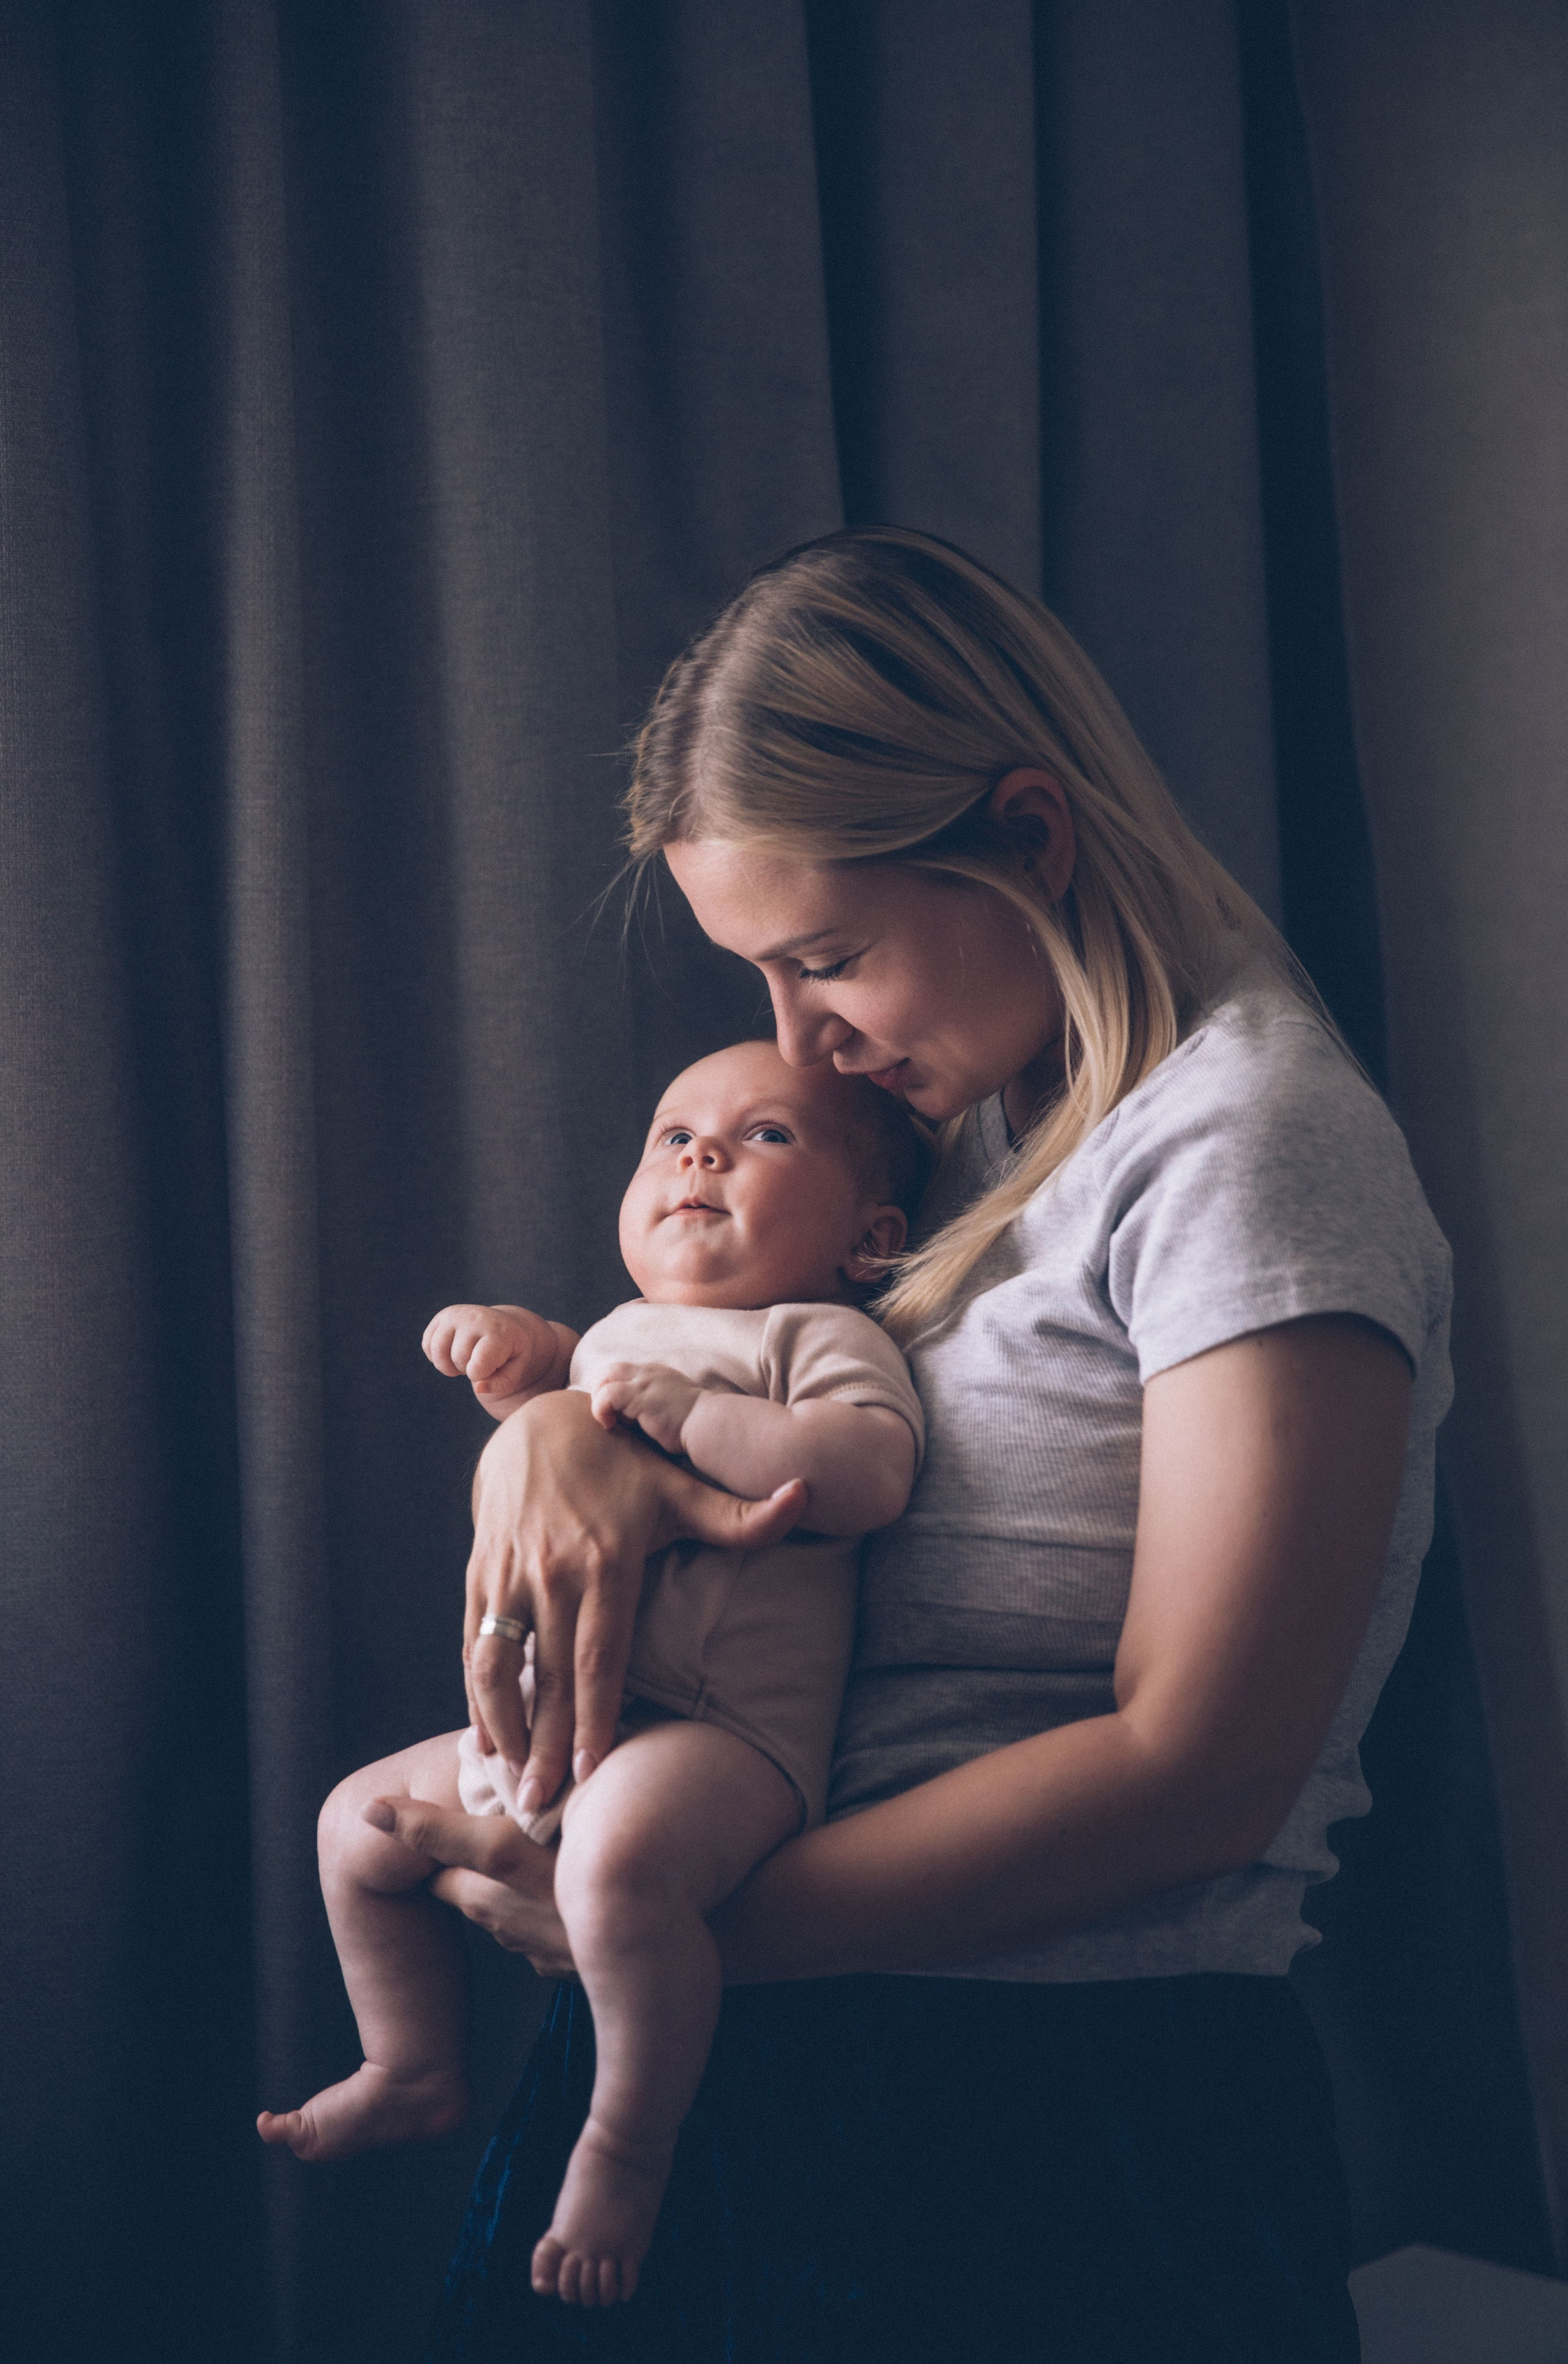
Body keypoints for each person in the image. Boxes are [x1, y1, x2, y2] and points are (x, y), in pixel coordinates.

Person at [376, 526, 1450, 2363]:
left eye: (830, 957)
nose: (805, 1042)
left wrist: (652, 1929)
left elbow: (1206, 1766)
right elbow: (756, 1414)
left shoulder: (1253, 1150)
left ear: (1033, 833)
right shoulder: (981, 1134)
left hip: (1041, 2122)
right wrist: (550, 1432)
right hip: (734, 2036)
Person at [257, 1040, 925, 2309]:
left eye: (764, 1135)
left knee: (613, 1863)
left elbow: (864, 1473)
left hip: (723, 1736)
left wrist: (685, 1415)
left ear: (871, 1238)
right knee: (350, 1818)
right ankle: (410, 2064)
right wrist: (520, 1361)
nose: (699, 1153)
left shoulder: (819, 1335)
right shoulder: (613, 1335)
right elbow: (563, 1445)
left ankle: (624, 2144)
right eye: (671, 1133)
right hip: (570, 1719)